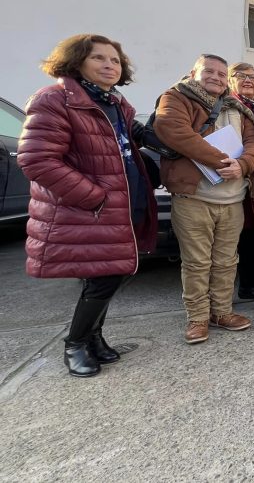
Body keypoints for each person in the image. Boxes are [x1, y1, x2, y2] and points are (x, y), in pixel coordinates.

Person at [17, 34, 157, 377]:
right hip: (91, 209)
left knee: (111, 273)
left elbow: (131, 134)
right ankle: (75, 344)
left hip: (122, 204)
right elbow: (37, 160)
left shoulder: (113, 102)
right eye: (99, 58)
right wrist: (94, 196)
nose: (110, 65)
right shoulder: (55, 99)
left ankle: (94, 338)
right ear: (77, 61)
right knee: (102, 280)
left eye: (115, 60)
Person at [153, 54, 254, 344]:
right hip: (194, 198)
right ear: (193, 72)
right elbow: (173, 131)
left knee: (227, 261)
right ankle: (198, 317)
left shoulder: (237, 107)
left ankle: (222, 312)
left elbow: (253, 143)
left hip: (232, 198)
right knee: (197, 262)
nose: (216, 77)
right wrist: (223, 160)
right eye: (209, 71)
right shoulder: (176, 97)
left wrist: (244, 165)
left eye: (221, 74)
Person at [228, 62, 254, 301]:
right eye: (241, 76)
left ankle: (248, 284)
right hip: (230, 178)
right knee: (229, 241)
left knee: (251, 237)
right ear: (231, 80)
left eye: (252, 76)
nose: (248, 80)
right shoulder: (226, 105)